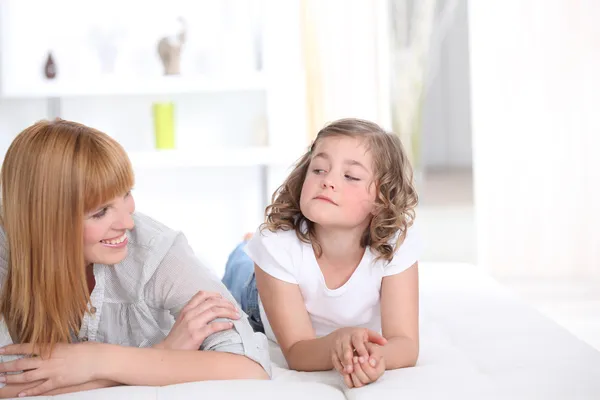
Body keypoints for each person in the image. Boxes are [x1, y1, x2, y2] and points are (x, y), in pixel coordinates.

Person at [0, 119, 270, 398]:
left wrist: (97, 360)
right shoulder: (6, 252)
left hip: (242, 278)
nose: (127, 222)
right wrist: (161, 355)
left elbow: (249, 367)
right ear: (45, 223)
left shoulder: (155, 249)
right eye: (100, 212)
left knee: (246, 267)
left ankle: (244, 246)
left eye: (126, 193)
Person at [223, 118, 422, 388]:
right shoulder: (276, 245)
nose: (328, 181)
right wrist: (338, 342)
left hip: (287, 277)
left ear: (381, 200)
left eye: (350, 176)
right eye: (318, 169)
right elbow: (297, 350)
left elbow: (406, 343)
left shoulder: (395, 245)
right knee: (240, 265)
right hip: (255, 295)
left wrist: (375, 358)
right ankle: (245, 246)